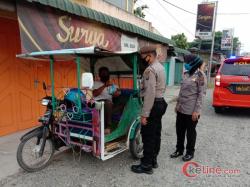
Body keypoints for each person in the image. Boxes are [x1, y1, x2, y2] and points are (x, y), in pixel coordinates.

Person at [131, 46, 167, 174]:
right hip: (161, 102)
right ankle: (153, 160)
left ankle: (146, 165)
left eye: (143, 58)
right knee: (156, 133)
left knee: (148, 136)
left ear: (149, 56)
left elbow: (150, 93)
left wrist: (144, 114)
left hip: (153, 105)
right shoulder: (161, 67)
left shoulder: (150, 70)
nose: (143, 60)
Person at [170, 54, 207, 162]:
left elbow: (201, 94)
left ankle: (190, 152)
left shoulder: (201, 75)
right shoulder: (185, 74)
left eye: (187, 62)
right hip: (181, 108)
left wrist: (197, 111)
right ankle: (179, 149)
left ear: (193, 63)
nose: (185, 64)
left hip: (192, 110)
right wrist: (177, 105)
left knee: (190, 132)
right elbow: (181, 91)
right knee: (179, 130)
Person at [93, 67, 120, 134]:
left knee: (108, 103)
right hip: (97, 103)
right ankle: (99, 128)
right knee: (105, 103)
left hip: (108, 103)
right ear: (99, 75)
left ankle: (108, 127)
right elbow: (95, 94)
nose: (104, 75)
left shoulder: (113, 85)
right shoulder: (95, 83)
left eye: (106, 73)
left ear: (108, 74)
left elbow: (118, 93)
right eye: (102, 73)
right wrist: (105, 85)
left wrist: (115, 93)